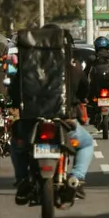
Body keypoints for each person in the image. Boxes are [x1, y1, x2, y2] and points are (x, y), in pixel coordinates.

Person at [11, 30, 95, 202]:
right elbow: (84, 89)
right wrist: (79, 100)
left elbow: (14, 92)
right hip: (65, 121)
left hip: (30, 122)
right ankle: (77, 178)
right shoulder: (73, 67)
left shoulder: (27, 68)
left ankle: (21, 179)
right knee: (86, 144)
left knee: (16, 144)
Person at [86, 36, 109, 125]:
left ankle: (92, 114)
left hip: (97, 86)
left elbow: (86, 72)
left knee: (89, 96)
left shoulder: (92, 58)